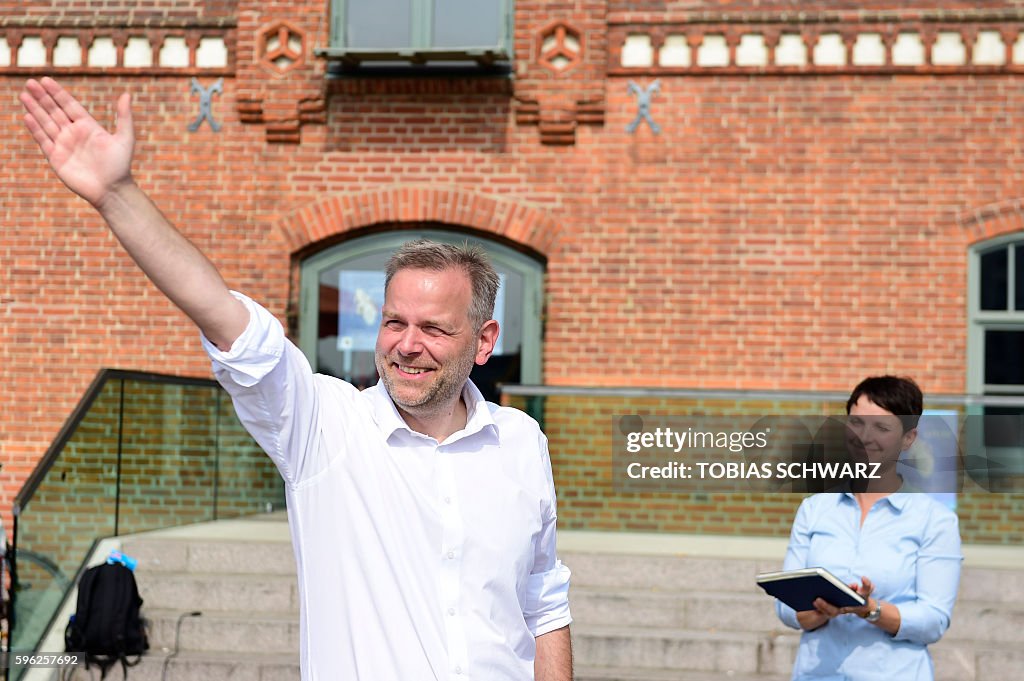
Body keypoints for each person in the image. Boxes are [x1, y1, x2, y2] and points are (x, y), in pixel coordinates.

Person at [20, 77, 573, 681]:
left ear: (485, 341)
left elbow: (543, 604)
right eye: (394, 322)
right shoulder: (326, 429)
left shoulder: (521, 442)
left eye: (434, 329)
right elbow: (232, 325)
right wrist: (117, 195)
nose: (407, 345)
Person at [775, 375, 962, 681]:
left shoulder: (935, 520)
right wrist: (823, 608)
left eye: (882, 428)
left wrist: (869, 609)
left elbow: (933, 621)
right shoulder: (814, 509)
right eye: (857, 423)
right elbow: (786, 608)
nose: (864, 437)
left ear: (908, 438)